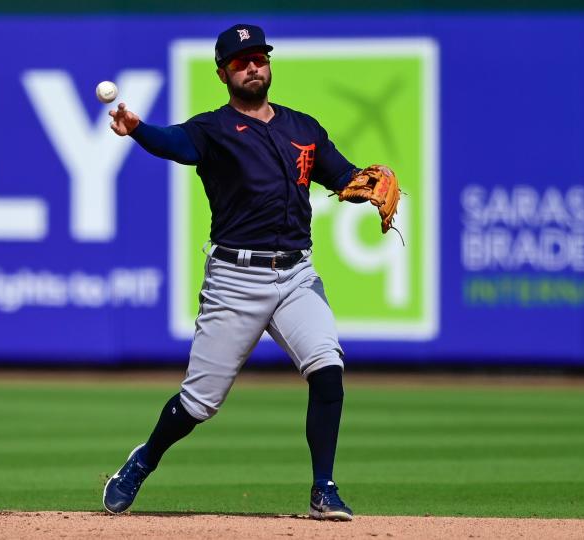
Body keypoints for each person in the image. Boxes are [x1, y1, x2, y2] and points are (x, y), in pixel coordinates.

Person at [102, 23, 364, 522]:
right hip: (234, 280)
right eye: (241, 60)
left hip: (296, 276)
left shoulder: (303, 128)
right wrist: (138, 129)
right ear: (224, 72)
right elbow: (174, 143)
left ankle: (324, 490)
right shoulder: (213, 129)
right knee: (199, 403)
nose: (253, 66)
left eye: (259, 57)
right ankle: (143, 461)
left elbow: (342, 175)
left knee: (328, 369)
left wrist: (364, 184)